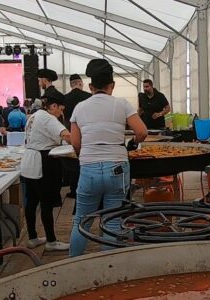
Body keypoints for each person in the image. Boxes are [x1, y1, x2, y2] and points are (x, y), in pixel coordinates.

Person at [69, 59, 147, 257]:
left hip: (89, 168)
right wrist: (133, 144)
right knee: (113, 221)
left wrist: (83, 156)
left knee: (82, 221)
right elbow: (142, 131)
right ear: (111, 85)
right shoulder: (122, 104)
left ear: (90, 86)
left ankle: (72, 265)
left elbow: (76, 143)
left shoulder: (79, 107)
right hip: (118, 168)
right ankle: (108, 265)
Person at [21, 93, 71, 251]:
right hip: (43, 161)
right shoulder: (48, 118)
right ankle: (51, 241)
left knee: (31, 202)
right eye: (60, 109)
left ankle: (33, 237)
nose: (61, 113)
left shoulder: (34, 116)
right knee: (46, 202)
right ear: (54, 106)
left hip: (29, 159)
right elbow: (67, 135)